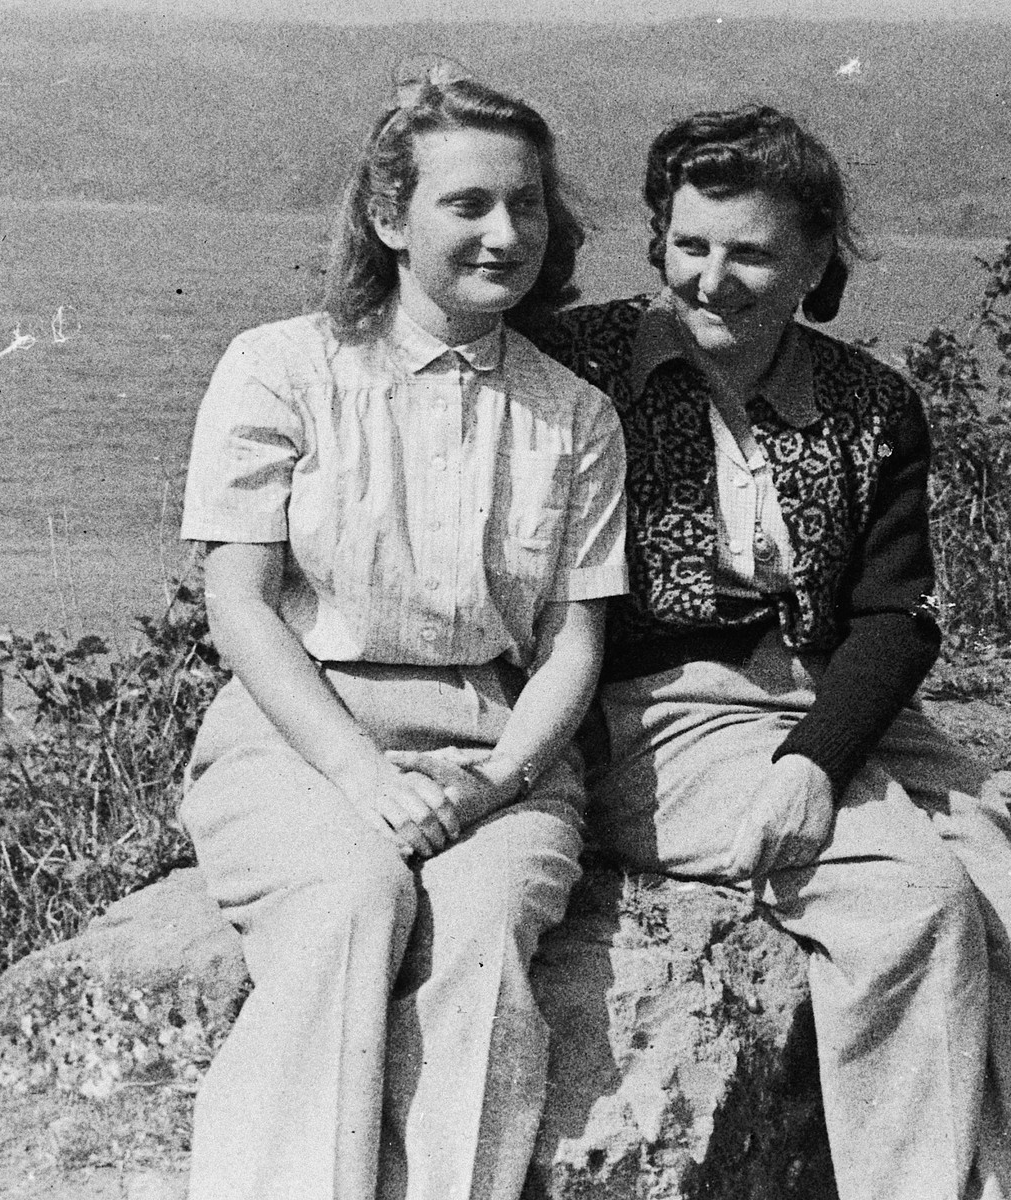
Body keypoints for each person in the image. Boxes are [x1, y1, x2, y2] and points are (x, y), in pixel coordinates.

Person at [529, 105, 1011, 1200]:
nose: (711, 280)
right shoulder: (577, 368)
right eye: (690, 245)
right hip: (659, 709)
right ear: (658, 240)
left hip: (836, 703)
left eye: (751, 253)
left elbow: (895, 617)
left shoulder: (871, 404)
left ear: (817, 258)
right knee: (912, 904)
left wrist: (817, 760)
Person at [176, 69, 626, 1200]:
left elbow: (574, 640)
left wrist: (504, 780)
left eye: (525, 205)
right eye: (467, 204)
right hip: (301, 733)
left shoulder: (575, 414)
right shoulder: (281, 367)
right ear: (389, 218)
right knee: (350, 904)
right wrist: (363, 777)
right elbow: (239, 604)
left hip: (496, 744)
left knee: (479, 938)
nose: (505, 233)